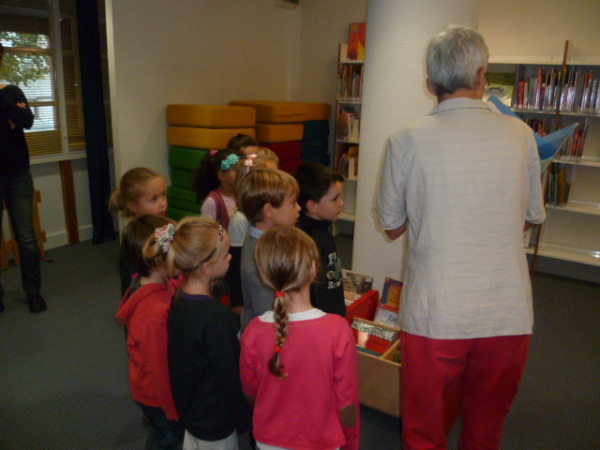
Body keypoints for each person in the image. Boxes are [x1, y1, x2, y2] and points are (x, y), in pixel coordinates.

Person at [376, 26, 546, 449]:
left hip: (435, 312)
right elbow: (529, 218)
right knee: (485, 430)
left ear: (430, 84)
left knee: (423, 431)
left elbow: (392, 226)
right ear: (482, 75)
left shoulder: (404, 140)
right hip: (506, 311)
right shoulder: (522, 136)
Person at [240, 226, 360, 450]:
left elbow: (251, 392)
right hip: (322, 441)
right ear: (313, 269)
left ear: (264, 276)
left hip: (269, 440)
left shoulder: (253, 331)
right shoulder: (337, 329)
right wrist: (351, 443)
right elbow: (347, 402)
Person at [166, 217, 250, 449]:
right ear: (207, 268)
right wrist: (244, 418)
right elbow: (229, 374)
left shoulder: (179, 298)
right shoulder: (215, 317)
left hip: (192, 407)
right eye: (225, 255)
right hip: (215, 418)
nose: (230, 257)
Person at [116, 215, 183, 449]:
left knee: (162, 434)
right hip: (159, 396)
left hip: (156, 392)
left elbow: (174, 285)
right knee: (168, 438)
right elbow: (158, 367)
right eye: (176, 253)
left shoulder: (151, 280)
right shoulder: (152, 314)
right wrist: (171, 408)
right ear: (157, 262)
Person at [0, 42, 46, 313]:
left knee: (27, 239)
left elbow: (26, 120)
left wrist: (8, 107)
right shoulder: (10, 98)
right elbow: (17, 117)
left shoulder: (12, 91)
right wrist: (11, 114)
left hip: (18, 175)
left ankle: (33, 293)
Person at [237, 168, 300, 330]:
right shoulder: (259, 260)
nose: (299, 208)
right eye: (293, 202)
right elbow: (265, 318)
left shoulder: (269, 240)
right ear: (269, 211)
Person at [226, 149, 279, 315]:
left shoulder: (270, 214)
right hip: (250, 301)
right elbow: (236, 268)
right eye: (272, 178)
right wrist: (238, 303)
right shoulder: (240, 221)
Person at [294, 162, 346, 317]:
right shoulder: (310, 239)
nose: (342, 203)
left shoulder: (322, 230)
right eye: (335, 199)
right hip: (320, 318)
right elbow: (310, 289)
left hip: (332, 314)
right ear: (313, 206)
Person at [108, 167, 168, 295]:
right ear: (133, 206)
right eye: (154, 199)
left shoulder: (160, 226)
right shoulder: (136, 240)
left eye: (163, 195)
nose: (162, 203)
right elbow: (133, 284)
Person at [192, 149, 243, 230]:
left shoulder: (240, 194)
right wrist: (223, 236)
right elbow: (208, 232)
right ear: (222, 176)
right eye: (236, 170)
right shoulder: (212, 202)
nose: (241, 173)